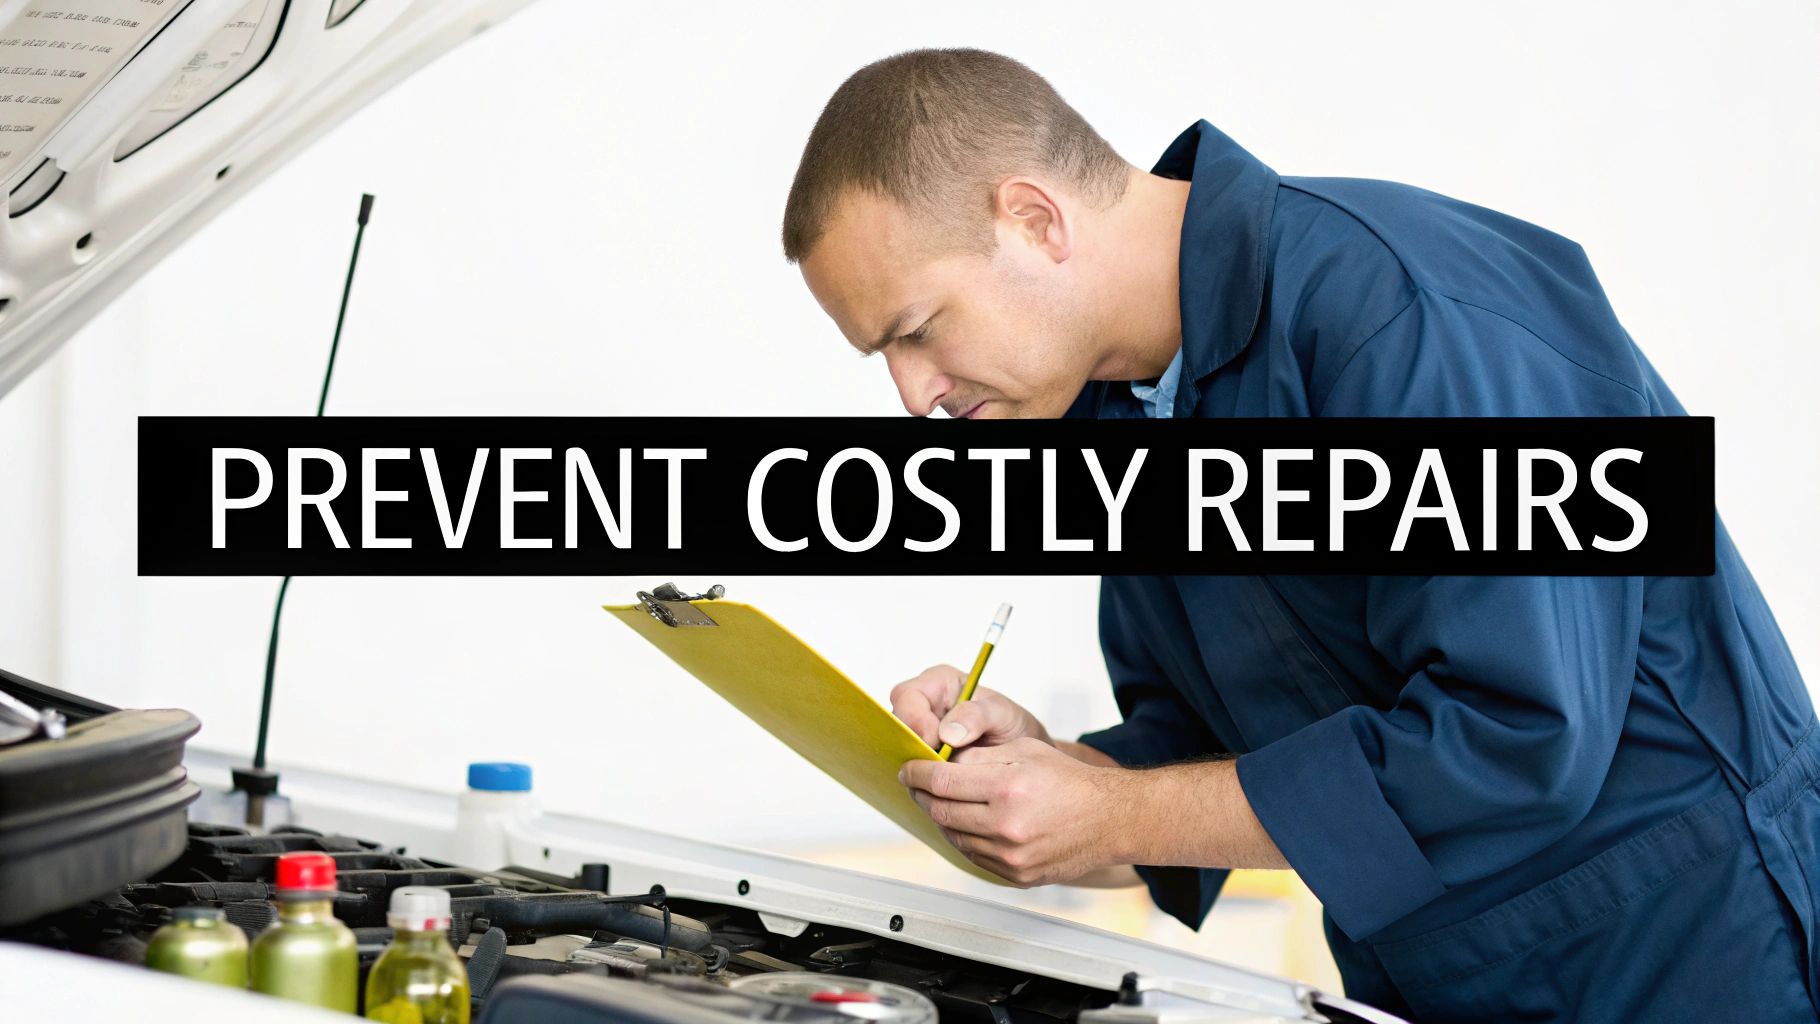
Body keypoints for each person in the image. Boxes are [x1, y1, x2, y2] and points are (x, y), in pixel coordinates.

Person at [779, 48, 1818, 1023]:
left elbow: (1510, 742)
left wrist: (1117, 813)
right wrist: (1036, 785)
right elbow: (1205, 764)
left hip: (1681, 950)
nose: (912, 395)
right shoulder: (1118, 415)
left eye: (915, 331)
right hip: (1423, 973)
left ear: (1035, 219)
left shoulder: (1403, 317)